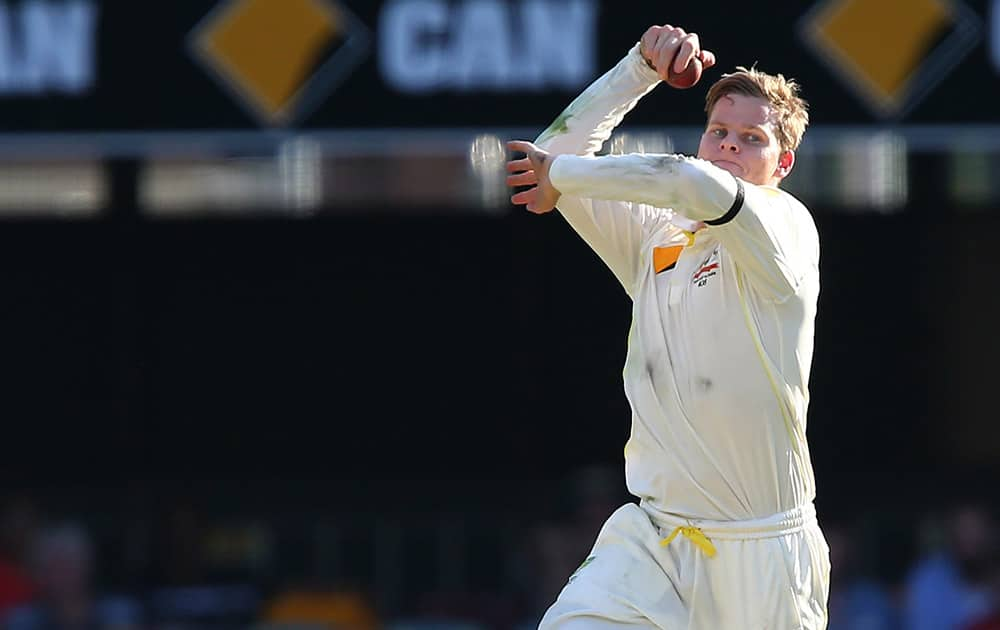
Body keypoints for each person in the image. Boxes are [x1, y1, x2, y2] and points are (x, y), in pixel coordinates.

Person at [505, 23, 829, 629]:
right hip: (654, 535)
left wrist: (564, 179)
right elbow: (557, 148)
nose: (729, 145)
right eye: (719, 132)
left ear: (782, 164)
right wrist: (639, 69)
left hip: (761, 549)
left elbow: (685, 182)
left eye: (751, 139)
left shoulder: (785, 226)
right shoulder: (659, 236)